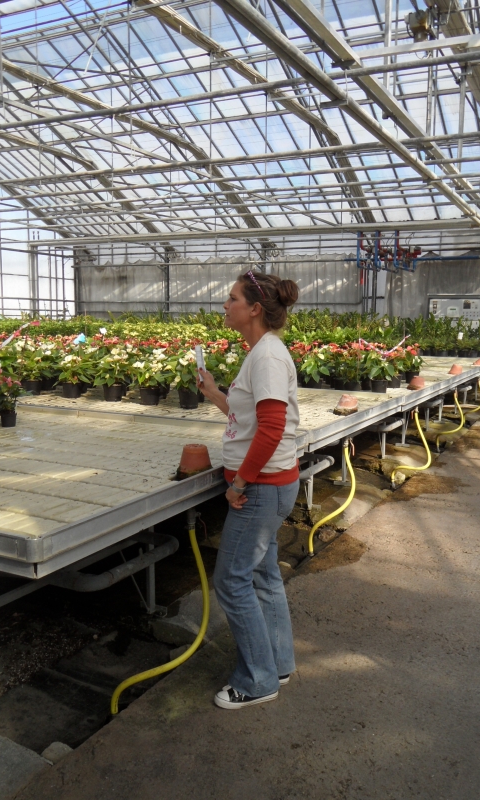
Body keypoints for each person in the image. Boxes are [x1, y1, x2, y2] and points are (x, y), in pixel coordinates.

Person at [197, 270, 300, 710]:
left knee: (231, 581)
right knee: (262, 575)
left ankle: (257, 681)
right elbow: (249, 418)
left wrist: (240, 482)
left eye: (233, 298)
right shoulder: (260, 353)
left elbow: (272, 428)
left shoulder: (268, 357)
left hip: (260, 489)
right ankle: (278, 663)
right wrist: (214, 393)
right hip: (268, 486)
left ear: (255, 309)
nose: (225, 305)